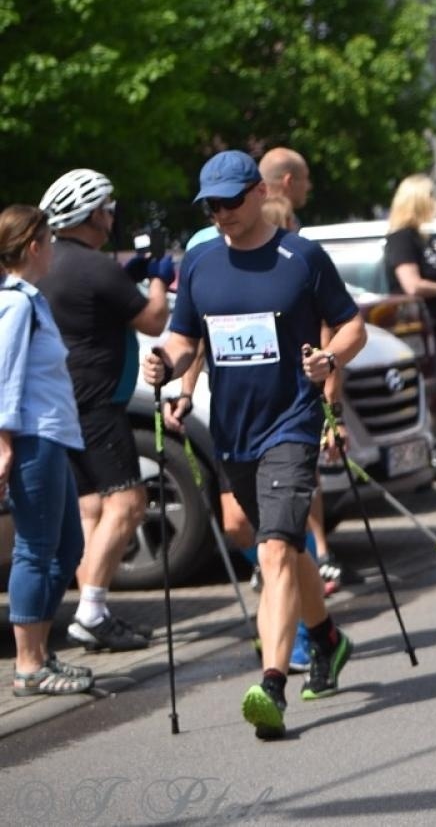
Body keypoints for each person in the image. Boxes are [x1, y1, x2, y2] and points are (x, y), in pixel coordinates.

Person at [142, 151, 365, 739]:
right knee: (274, 545)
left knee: (273, 550)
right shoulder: (200, 262)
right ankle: (328, 639)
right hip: (233, 432)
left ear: (257, 193)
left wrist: (330, 359)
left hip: (291, 425)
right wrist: (165, 362)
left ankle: (272, 684)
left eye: (229, 202)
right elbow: (186, 336)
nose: (220, 214)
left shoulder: (302, 258)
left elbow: (352, 324)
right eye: (210, 205)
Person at [35, 170, 171, 653]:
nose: (112, 217)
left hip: (60, 402)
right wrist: (157, 274)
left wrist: (128, 274)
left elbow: (98, 301)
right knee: (129, 502)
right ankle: (90, 613)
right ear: (93, 214)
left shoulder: (48, 264)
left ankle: (96, 610)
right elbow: (155, 318)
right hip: (97, 403)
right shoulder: (95, 268)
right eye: (108, 208)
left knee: (91, 507)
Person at [2, 205, 93, 697]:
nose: (55, 249)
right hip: (33, 436)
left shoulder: (30, 301)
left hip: (52, 435)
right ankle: (28, 665)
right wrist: (3, 442)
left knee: (67, 548)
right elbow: (5, 374)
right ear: (34, 245)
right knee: (35, 549)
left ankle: (38, 650)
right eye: (51, 241)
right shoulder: (16, 304)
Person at [383, 174, 436, 479]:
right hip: (420, 334)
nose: (435, 202)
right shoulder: (401, 238)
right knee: (434, 395)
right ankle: (431, 465)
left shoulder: (422, 238)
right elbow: (411, 285)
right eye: (431, 196)